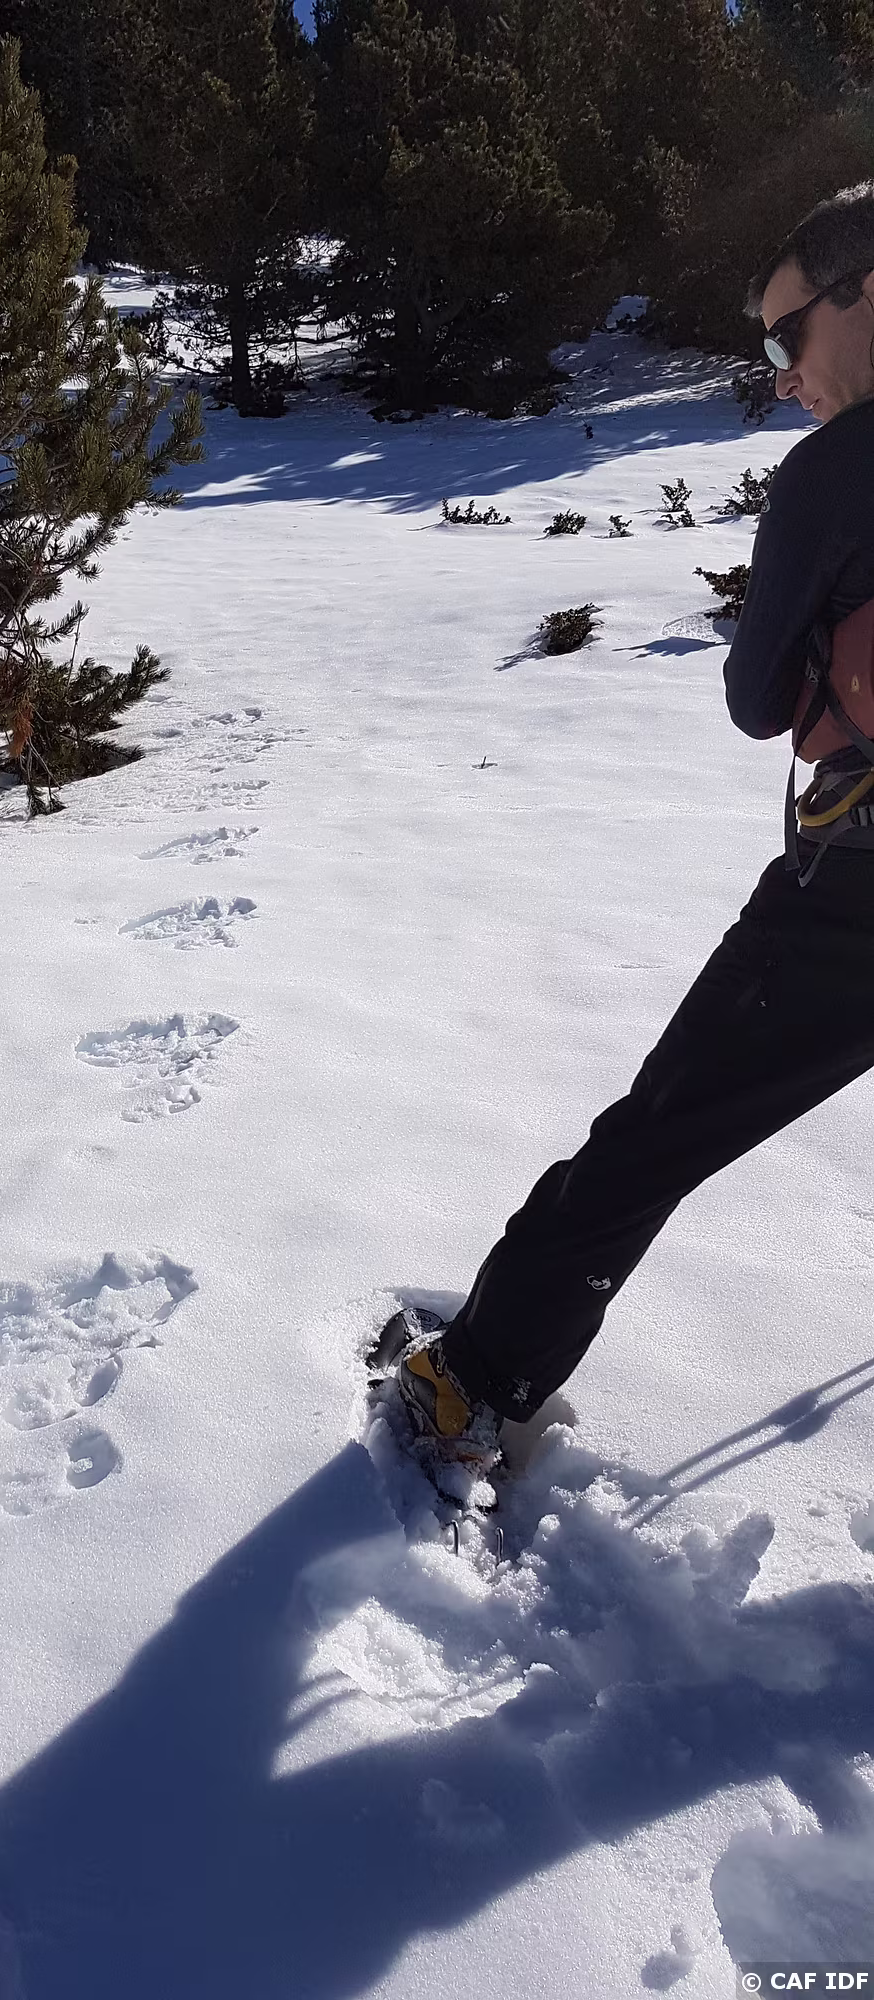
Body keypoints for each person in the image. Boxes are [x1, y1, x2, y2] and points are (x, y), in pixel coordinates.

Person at [381, 183, 874, 1468]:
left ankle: (471, 1384)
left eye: (787, 336)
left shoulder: (839, 471)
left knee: (665, 1124)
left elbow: (754, 700)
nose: (779, 375)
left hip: (857, 893)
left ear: (865, 292)